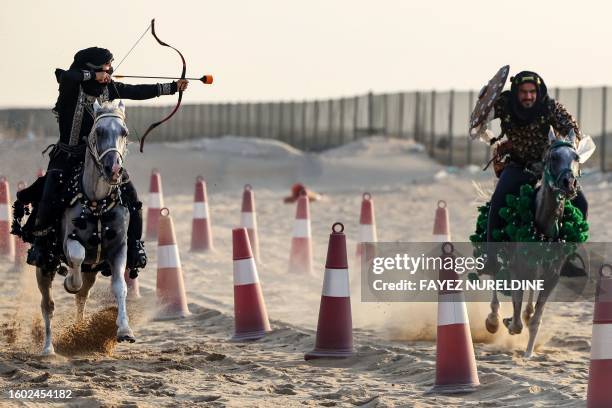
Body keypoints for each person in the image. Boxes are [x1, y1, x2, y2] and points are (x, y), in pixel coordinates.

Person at [22, 46, 188, 273]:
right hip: (68, 156)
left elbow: (137, 91)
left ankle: (134, 247)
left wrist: (172, 87)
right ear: (91, 68)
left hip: (100, 160)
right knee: (49, 195)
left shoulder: (108, 90)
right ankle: (41, 247)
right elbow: (67, 74)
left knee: (133, 199)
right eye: (105, 68)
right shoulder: (72, 85)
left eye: (109, 68)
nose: (109, 71)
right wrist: (93, 75)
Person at [472, 71, 588, 273]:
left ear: (538, 91)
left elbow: (572, 128)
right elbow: (480, 118)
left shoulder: (550, 107)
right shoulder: (504, 104)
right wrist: (483, 109)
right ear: (516, 92)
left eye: (532, 91)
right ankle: (491, 260)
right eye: (523, 92)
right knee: (498, 200)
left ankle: (566, 260)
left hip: (550, 168)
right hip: (518, 166)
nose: (528, 96)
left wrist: (570, 144)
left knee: (581, 202)